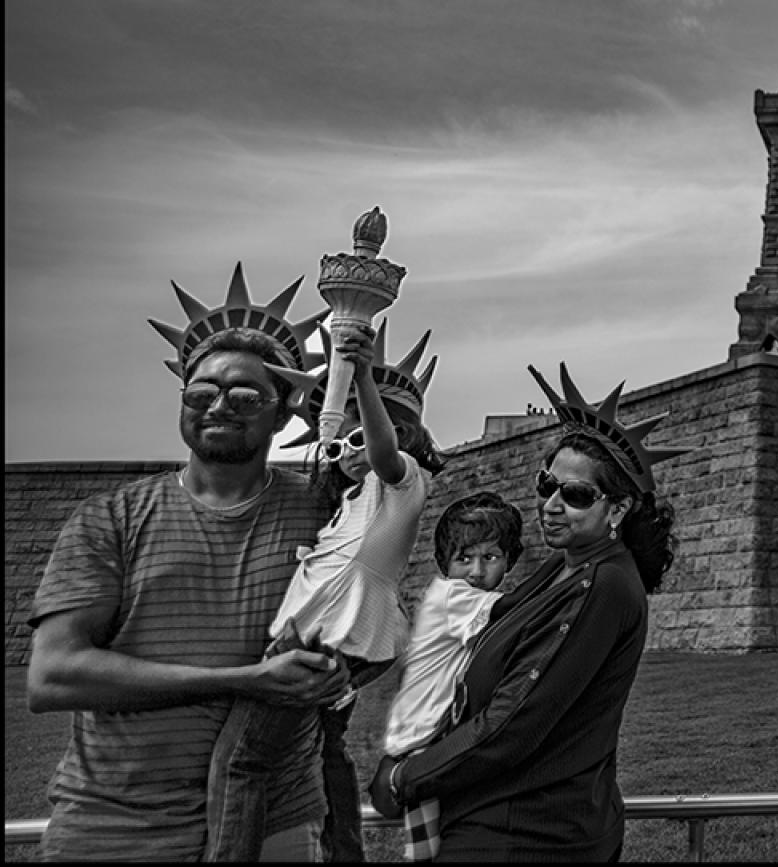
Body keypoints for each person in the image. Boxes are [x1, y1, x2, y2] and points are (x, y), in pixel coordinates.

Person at [26, 264, 348, 861]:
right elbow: (53, 676)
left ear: (283, 414)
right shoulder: (110, 520)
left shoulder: (324, 512)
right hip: (113, 824)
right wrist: (240, 681)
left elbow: (373, 626)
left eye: (246, 394)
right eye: (202, 392)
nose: (219, 405)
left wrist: (341, 673)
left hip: (274, 821)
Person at [371, 364, 689, 862]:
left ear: (619, 510)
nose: (552, 504)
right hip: (513, 821)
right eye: (548, 484)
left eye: (577, 495)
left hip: (528, 834)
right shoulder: (565, 566)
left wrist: (403, 777)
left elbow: (513, 722)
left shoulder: (602, 585)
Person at [204, 322, 448, 862]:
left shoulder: (401, 484)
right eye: (339, 444)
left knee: (241, 761)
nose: (349, 452)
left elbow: (385, 453)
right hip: (323, 640)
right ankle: (345, 853)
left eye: (360, 438)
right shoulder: (349, 503)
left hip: (325, 641)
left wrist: (361, 376)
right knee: (324, 748)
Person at [382, 492, 525, 862]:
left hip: (438, 736)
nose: (476, 571)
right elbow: (516, 610)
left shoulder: (464, 596)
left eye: (490, 557)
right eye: (464, 559)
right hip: (420, 744)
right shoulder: (452, 594)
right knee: (426, 852)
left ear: (509, 560)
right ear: (443, 564)